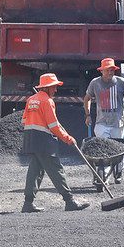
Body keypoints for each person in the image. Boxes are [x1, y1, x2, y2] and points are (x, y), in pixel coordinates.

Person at [21, 73, 89, 213]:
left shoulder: (31, 99)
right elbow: (53, 126)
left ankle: (28, 203)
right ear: (47, 87)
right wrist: (67, 138)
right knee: (56, 169)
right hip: (43, 140)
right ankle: (69, 201)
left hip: (30, 138)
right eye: (54, 87)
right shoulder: (47, 101)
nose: (56, 90)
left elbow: (24, 121)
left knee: (35, 170)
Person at [83, 58, 124, 183]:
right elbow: (87, 98)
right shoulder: (95, 83)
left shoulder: (121, 82)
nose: (110, 72)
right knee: (103, 152)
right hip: (101, 123)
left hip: (118, 123)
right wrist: (88, 115)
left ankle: (118, 173)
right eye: (108, 70)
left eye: (112, 70)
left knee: (118, 152)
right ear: (102, 71)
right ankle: (103, 176)